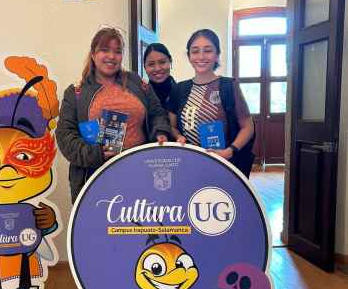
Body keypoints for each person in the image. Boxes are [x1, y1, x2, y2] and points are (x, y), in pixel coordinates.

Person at [56, 27, 171, 202]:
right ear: (93, 54)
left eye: (117, 51)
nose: (111, 56)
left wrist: (160, 132)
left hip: (141, 172)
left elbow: (157, 113)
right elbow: (65, 136)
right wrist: (96, 154)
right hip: (97, 177)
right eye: (104, 50)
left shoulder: (136, 82)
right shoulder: (76, 92)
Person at [169, 28, 255, 178]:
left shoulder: (228, 86)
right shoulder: (179, 89)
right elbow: (172, 126)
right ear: (189, 56)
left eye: (208, 51)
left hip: (222, 166)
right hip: (188, 166)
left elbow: (248, 126)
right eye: (195, 51)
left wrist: (230, 151)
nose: (201, 56)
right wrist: (178, 137)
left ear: (217, 55)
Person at [143, 43, 175, 110]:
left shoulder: (182, 94)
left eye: (162, 62)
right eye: (151, 64)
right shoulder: (139, 96)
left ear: (170, 61)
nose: (157, 69)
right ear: (145, 67)